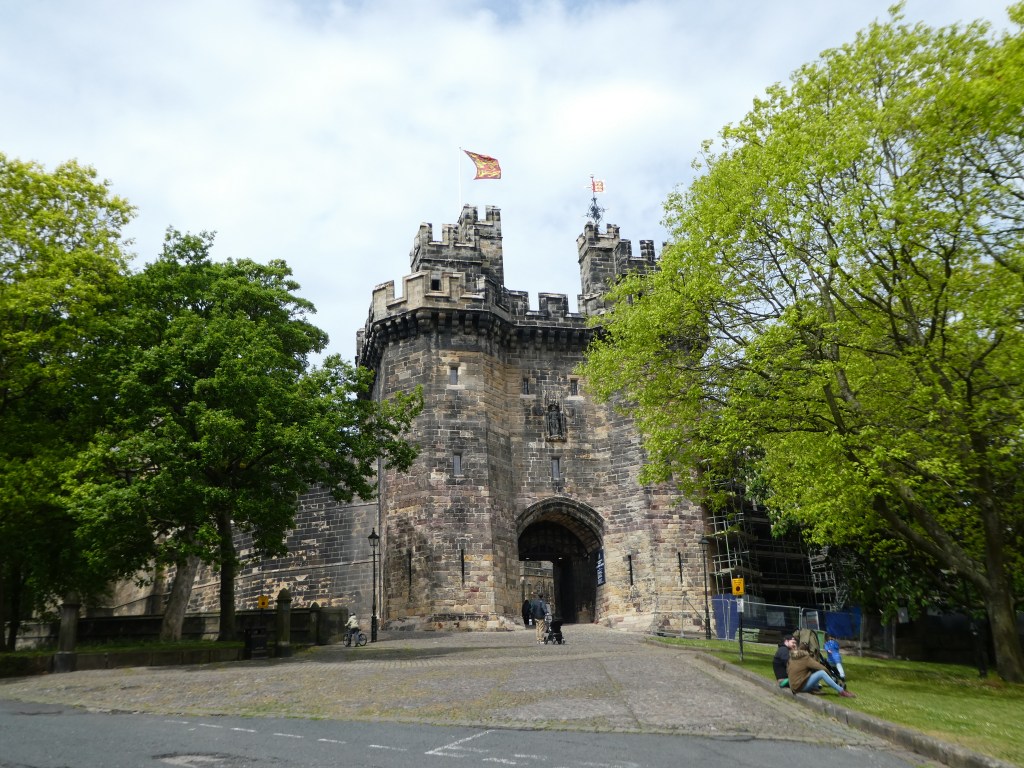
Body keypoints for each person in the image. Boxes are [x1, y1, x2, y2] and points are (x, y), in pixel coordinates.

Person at [787, 641, 856, 698]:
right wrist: (831, 676)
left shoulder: (792, 658)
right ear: (807, 651)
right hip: (799, 687)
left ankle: (814, 688)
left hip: (793, 686)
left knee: (812, 672)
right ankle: (841, 691)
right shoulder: (806, 658)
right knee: (821, 673)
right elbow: (821, 667)